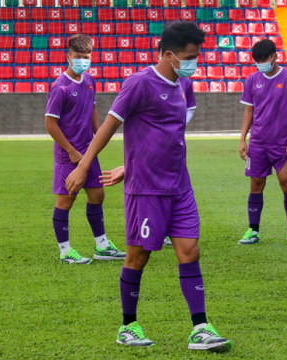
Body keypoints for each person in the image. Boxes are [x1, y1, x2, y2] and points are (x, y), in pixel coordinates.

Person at [65, 21, 232, 351]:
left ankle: (200, 327)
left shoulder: (184, 86)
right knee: (137, 257)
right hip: (147, 190)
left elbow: (165, 135)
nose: (193, 63)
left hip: (179, 185)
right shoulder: (139, 83)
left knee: (190, 251)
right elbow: (110, 126)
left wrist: (128, 165)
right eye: (189, 57)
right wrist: (84, 166)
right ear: (169, 55)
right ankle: (128, 326)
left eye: (196, 57)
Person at [44, 33, 125, 264]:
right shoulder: (60, 87)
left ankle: (102, 247)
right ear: (67, 57)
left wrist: (99, 133)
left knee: (97, 196)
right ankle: (65, 251)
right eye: (78, 57)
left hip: (88, 152)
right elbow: (50, 123)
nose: (83, 61)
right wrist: (70, 150)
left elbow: (92, 108)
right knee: (66, 201)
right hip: (67, 154)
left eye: (86, 56)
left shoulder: (89, 80)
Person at [237, 39, 287, 246]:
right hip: (257, 143)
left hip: (282, 144)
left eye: (264, 59)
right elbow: (249, 110)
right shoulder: (252, 80)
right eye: (257, 60)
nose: (261, 63)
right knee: (256, 185)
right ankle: (253, 230)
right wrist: (242, 139)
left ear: (274, 56)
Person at [156, 40, 198, 249]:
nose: (192, 64)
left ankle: (173, 229)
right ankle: (159, 230)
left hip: (176, 146)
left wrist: (179, 123)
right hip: (153, 150)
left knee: (174, 185)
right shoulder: (146, 81)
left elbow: (190, 107)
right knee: (158, 188)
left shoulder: (186, 82)